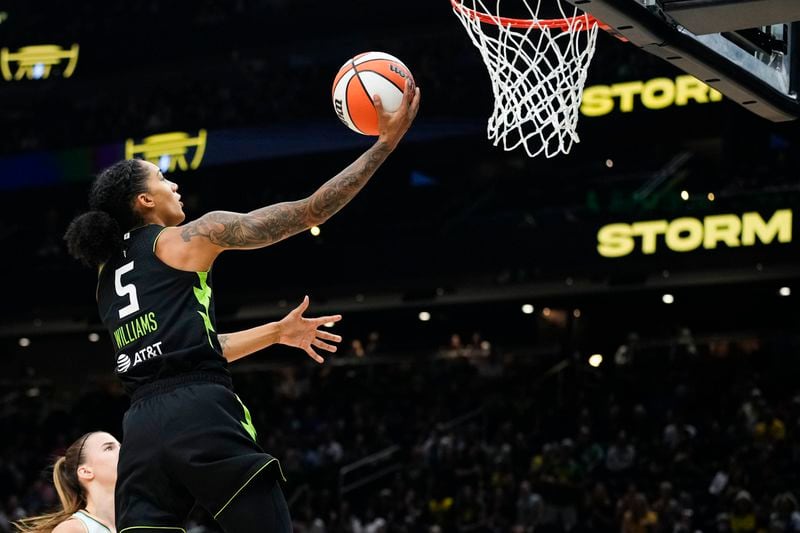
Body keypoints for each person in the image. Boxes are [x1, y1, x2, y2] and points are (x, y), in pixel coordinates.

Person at [62, 80, 420, 533]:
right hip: (199, 411)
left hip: (140, 430)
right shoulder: (190, 236)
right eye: (161, 178)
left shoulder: (104, 277)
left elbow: (184, 345)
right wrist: (384, 146)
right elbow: (310, 211)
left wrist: (275, 331)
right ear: (144, 200)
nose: (174, 183)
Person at [15, 432, 121, 533]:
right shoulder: (72, 529)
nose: (123, 450)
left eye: (120, 446)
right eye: (109, 448)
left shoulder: (130, 521)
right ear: (86, 472)